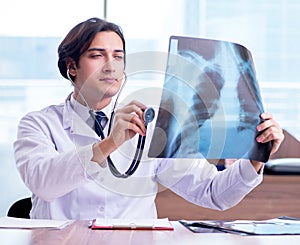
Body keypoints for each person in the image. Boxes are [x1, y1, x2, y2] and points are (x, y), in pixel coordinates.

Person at [13, 17, 284, 220]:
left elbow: (213, 193)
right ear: (71, 66)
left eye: (118, 56)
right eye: (97, 55)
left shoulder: (152, 125)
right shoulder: (39, 124)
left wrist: (255, 158)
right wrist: (111, 142)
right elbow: (44, 183)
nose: (110, 65)